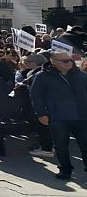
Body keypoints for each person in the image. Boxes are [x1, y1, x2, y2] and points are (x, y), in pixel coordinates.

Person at [30, 51, 87, 180]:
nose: (69, 63)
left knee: (85, 145)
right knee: (61, 145)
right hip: (58, 116)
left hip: (81, 116)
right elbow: (36, 96)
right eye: (65, 61)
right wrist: (41, 113)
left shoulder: (80, 75)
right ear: (53, 62)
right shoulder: (43, 76)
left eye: (70, 60)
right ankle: (65, 170)